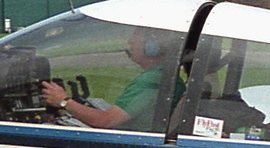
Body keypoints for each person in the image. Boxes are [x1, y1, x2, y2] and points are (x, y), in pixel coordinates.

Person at [40, 27, 177, 130]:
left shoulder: (153, 80)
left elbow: (105, 121)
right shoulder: (164, 74)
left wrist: (63, 102)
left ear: (152, 47)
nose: (130, 42)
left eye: (135, 38)